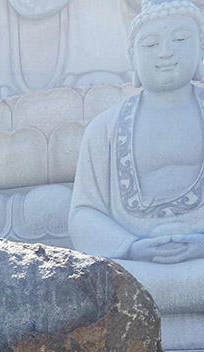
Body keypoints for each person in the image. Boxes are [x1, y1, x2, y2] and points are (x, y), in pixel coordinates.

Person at [69, 0, 204, 322]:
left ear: (200, 48)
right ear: (132, 57)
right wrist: (130, 246)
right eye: (151, 44)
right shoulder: (104, 128)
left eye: (180, 39)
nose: (165, 53)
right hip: (133, 266)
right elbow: (84, 212)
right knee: (93, 284)